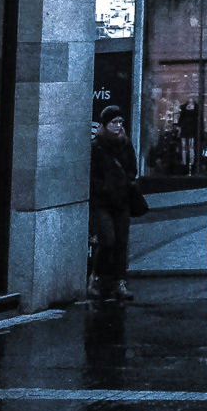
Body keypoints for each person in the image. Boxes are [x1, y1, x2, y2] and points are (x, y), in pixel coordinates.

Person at [89, 108, 139, 304]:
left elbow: (132, 168)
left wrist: (125, 183)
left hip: (121, 201)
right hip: (102, 202)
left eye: (120, 122)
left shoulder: (125, 144)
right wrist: (105, 187)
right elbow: (92, 176)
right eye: (114, 122)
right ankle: (97, 278)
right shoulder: (97, 147)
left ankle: (119, 282)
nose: (118, 126)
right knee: (108, 240)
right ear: (104, 124)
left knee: (121, 243)